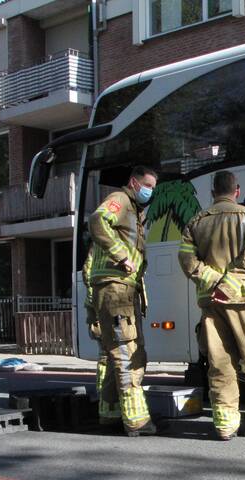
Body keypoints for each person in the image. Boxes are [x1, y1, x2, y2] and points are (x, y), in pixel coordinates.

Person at [178, 170, 245, 440]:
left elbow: (187, 261)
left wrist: (213, 281)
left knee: (220, 363)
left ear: (213, 192)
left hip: (212, 303)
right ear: (237, 191)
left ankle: (224, 425)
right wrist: (230, 284)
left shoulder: (196, 222)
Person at [82, 166, 157, 437]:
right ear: (134, 183)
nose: (150, 191)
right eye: (147, 185)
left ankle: (110, 413)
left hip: (122, 289)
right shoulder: (121, 200)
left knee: (119, 351)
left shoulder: (135, 210)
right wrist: (120, 256)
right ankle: (136, 420)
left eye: (153, 187)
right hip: (116, 290)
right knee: (128, 352)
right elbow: (98, 220)